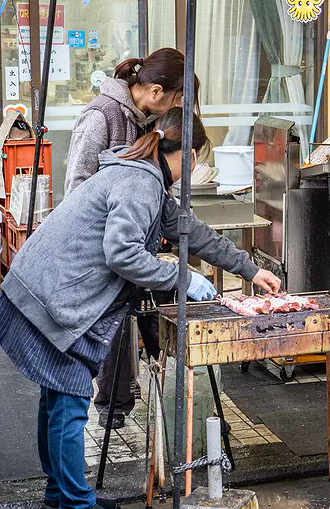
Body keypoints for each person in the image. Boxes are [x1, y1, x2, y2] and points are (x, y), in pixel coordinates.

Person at [0, 121, 280, 509]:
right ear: (189, 157)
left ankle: (61, 496)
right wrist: (182, 277)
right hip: (57, 298)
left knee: (56, 399)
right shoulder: (140, 183)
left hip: (48, 286)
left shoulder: (143, 176)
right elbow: (121, 253)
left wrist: (250, 269)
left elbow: (193, 232)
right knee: (69, 401)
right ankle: (76, 504)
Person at [65, 48, 198, 429]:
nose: (174, 110)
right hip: (103, 252)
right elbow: (77, 187)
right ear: (156, 92)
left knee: (151, 315)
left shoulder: (144, 120)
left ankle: (168, 396)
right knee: (113, 330)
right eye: (175, 100)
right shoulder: (100, 117)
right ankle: (112, 407)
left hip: (136, 248)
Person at [65, 48, 191, 195]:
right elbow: (77, 184)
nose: (178, 104)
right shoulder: (100, 115)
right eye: (178, 97)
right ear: (156, 91)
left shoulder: (155, 119)